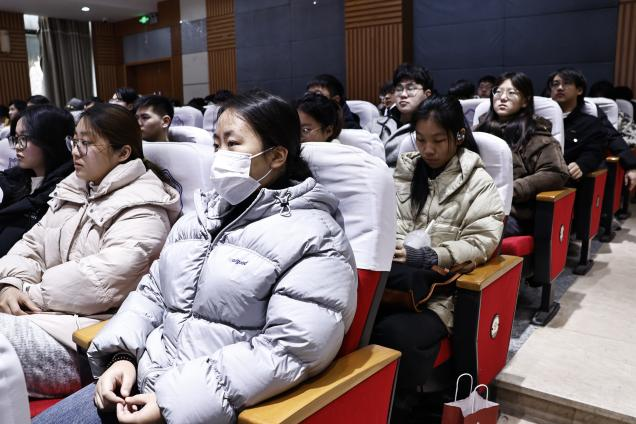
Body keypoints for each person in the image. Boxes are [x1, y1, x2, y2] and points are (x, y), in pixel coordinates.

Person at [34, 90, 357, 424]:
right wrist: (121, 356)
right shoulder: (201, 217)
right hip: (141, 382)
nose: (220, 156)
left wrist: (170, 402)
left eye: (233, 144)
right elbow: (152, 294)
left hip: (207, 407)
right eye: (216, 145)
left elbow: (290, 348)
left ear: (276, 156)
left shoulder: (315, 237)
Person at [0, 103, 181, 398]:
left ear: (122, 153)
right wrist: (10, 284)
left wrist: (27, 293)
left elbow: (97, 283)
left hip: (83, 339)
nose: (75, 151)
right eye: (74, 141)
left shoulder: (145, 207)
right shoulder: (74, 189)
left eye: (86, 143)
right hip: (42, 315)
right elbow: (31, 244)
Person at [371, 96, 504, 422]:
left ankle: (398, 404)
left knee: (393, 333)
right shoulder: (403, 173)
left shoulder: (478, 183)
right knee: (351, 320)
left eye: (438, 140)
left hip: (443, 294)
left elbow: (482, 241)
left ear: (458, 136)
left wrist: (428, 255)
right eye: (420, 139)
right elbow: (381, 222)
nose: (427, 149)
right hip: (393, 284)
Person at [476, 72, 569, 236]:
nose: (502, 97)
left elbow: (556, 172)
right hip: (474, 205)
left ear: (525, 101)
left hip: (512, 212)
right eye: (498, 91)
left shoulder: (535, 132)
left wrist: (511, 190)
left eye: (511, 92)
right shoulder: (478, 131)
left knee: (471, 230)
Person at [0, 105, 75, 255]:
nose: (17, 146)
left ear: (50, 140)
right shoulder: (13, 180)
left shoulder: (66, 191)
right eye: (15, 138)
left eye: (24, 138)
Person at [548, 68, 606, 181]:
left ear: (579, 90)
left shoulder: (590, 123)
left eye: (566, 83)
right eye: (555, 84)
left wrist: (581, 164)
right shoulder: (539, 120)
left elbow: (594, 152)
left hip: (568, 179)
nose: (559, 88)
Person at [374, 63, 434, 167]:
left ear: (427, 94)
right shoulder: (376, 122)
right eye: (399, 89)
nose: (403, 95)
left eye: (410, 89)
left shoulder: (431, 129)